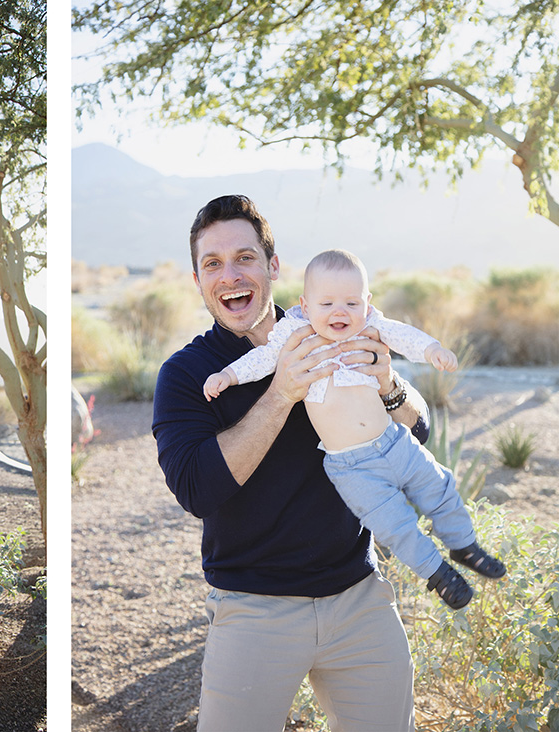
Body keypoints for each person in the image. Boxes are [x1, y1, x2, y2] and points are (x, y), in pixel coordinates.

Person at [152, 194, 427, 730]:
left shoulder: (330, 324)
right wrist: (280, 394)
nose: (230, 274)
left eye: (245, 258)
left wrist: (389, 386)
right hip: (252, 609)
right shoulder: (187, 374)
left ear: (273, 266)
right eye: (213, 263)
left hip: (359, 600)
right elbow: (195, 490)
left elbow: (419, 433)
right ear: (198, 280)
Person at [202, 248, 505, 609]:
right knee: (395, 523)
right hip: (352, 466)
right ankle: (438, 573)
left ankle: (464, 543)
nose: (339, 312)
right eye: (326, 303)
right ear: (306, 304)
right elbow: (263, 358)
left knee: (438, 485)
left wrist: (432, 349)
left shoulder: (371, 325)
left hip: (395, 443)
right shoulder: (296, 334)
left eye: (351, 302)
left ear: (367, 302)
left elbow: (404, 336)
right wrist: (229, 375)